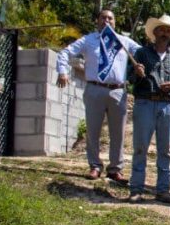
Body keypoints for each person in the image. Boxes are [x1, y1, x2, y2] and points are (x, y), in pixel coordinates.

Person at [56, 9, 142, 181]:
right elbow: (65, 53)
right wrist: (62, 71)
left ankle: (115, 169)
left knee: (118, 132)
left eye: (110, 18)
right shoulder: (88, 40)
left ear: (115, 22)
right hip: (94, 89)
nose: (107, 21)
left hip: (118, 91)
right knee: (92, 130)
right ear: (97, 21)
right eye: (103, 18)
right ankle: (94, 165)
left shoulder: (123, 41)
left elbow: (145, 54)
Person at [128, 15, 170, 203]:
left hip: (168, 105)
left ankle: (162, 190)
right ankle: (136, 189)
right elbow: (130, 78)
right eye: (161, 29)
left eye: (168, 30)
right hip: (145, 102)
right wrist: (137, 73)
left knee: (166, 150)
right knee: (140, 148)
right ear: (154, 32)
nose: (165, 33)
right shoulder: (141, 54)